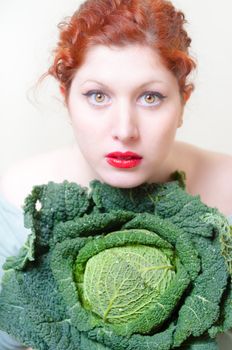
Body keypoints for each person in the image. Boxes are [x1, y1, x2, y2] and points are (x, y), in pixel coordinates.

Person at [0, 0, 231, 349]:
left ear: (183, 103)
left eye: (150, 97)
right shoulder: (20, 199)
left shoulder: (227, 186)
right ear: (66, 99)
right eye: (97, 95)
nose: (124, 130)